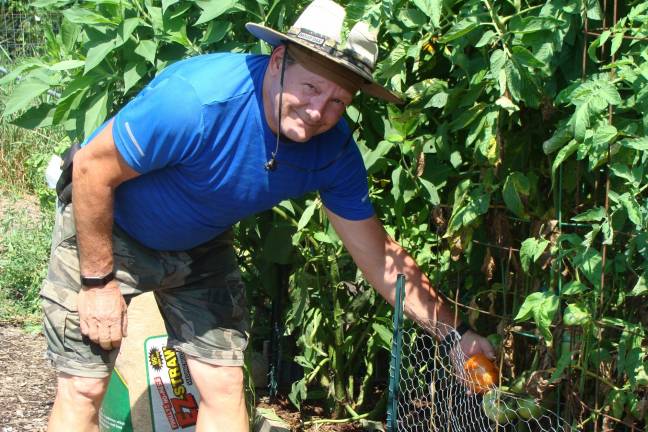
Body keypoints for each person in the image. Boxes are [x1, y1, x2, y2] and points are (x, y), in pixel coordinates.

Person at [41, 0, 495, 431]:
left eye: (339, 101)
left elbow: (378, 256)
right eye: (311, 88)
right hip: (112, 228)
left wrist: (456, 334)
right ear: (277, 61)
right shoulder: (198, 101)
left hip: (200, 243)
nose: (319, 112)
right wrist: (98, 283)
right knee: (83, 386)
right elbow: (91, 169)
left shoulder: (333, 152)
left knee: (224, 385)